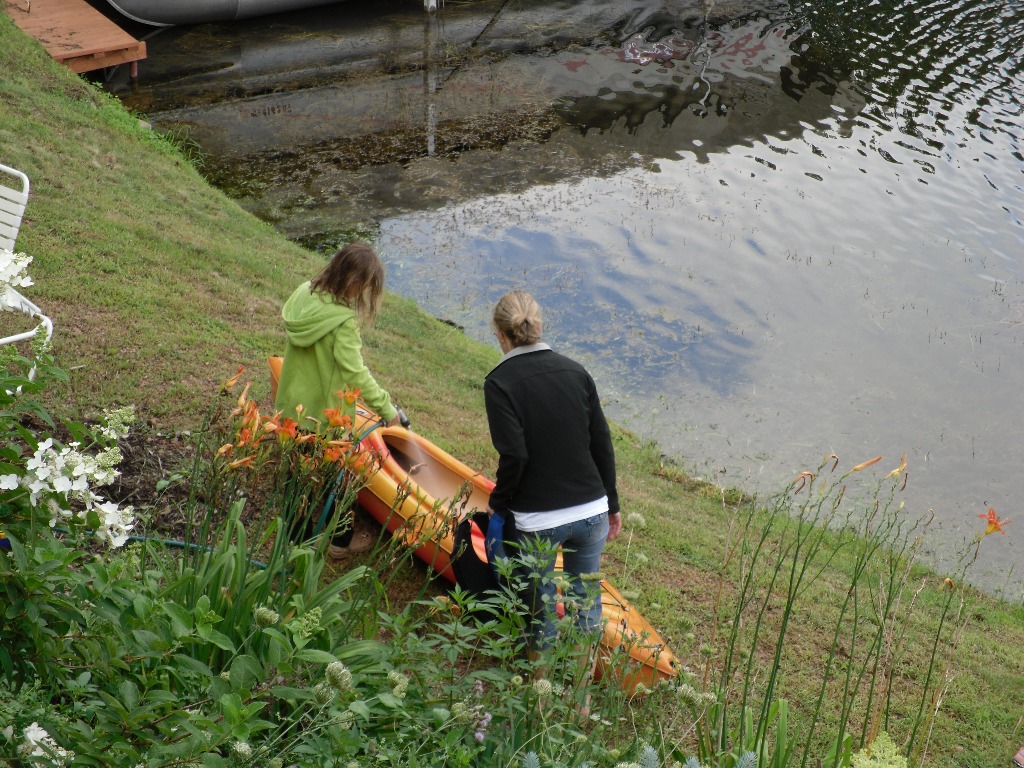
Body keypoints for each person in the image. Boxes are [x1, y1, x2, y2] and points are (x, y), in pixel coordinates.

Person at [483, 290, 621, 663]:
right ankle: (579, 692)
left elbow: (515, 455)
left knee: (538, 610)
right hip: (592, 511)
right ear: (539, 325)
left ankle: (539, 690)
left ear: (500, 333)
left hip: (538, 521)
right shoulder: (577, 371)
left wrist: (499, 504)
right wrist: (612, 505)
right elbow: (602, 444)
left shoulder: (499, 382)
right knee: (585, 602)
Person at [275, 241, 402, 558]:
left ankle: (295, 540)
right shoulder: (342, 322)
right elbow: (356, 374)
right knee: (338, 481)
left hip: (292, 408)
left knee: (296, 479)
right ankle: (338, 543)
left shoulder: (304, 293)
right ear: (353, 281)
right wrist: (387, 409)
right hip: (324, 419)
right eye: (365, 286)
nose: (363, 294)